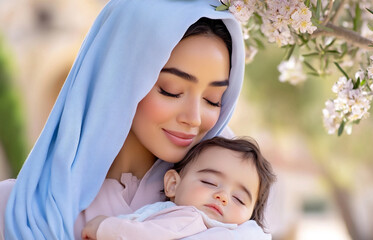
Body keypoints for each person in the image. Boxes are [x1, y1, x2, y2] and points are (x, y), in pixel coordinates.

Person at [0, 0, 272, 239]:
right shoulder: (20, 210)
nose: (194, 118)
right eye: (171, 90)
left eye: (213, 99)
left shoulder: (228, 211)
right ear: (118, 77)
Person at [81, 137, 276, 240]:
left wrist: (102, 227)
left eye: (239, 199)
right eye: (209, 182)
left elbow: (142, 235)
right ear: (173, 184)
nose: (223, 196)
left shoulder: (190, 218)